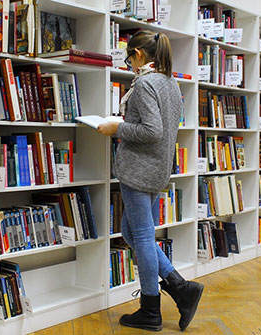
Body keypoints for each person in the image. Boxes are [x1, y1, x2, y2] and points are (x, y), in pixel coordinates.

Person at [97, 30, 204, 332]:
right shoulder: (170, 83)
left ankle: (150, 309)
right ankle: (180, 286)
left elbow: (152, 131)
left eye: (129, 57)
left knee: (141, 236)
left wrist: (116, 127)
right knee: (130, 231)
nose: (129, 63)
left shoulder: (144, 84)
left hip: (138, 170)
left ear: (139, 55)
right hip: (157, 169)